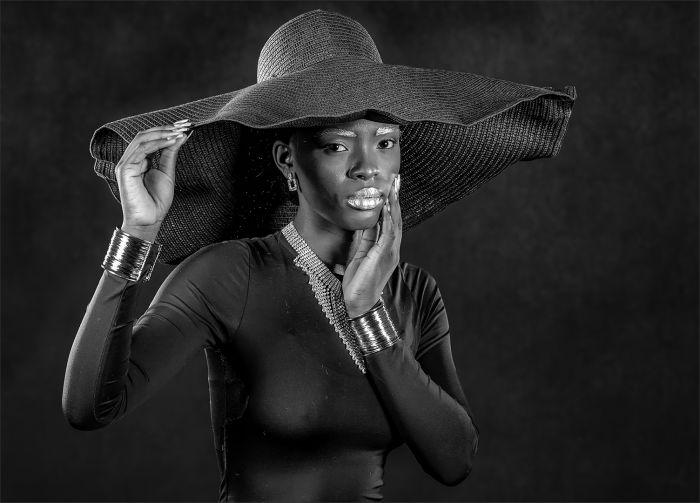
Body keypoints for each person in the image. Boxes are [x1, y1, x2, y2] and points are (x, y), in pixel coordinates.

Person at [62, 9, 576, 502]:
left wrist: (368, 314)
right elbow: (90, 408)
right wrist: (138, 232)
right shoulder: (228, 275)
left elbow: (454, 461)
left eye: (386, 142)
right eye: (337, 145)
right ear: (288, 160)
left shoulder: (414, 293)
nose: (368, 167)